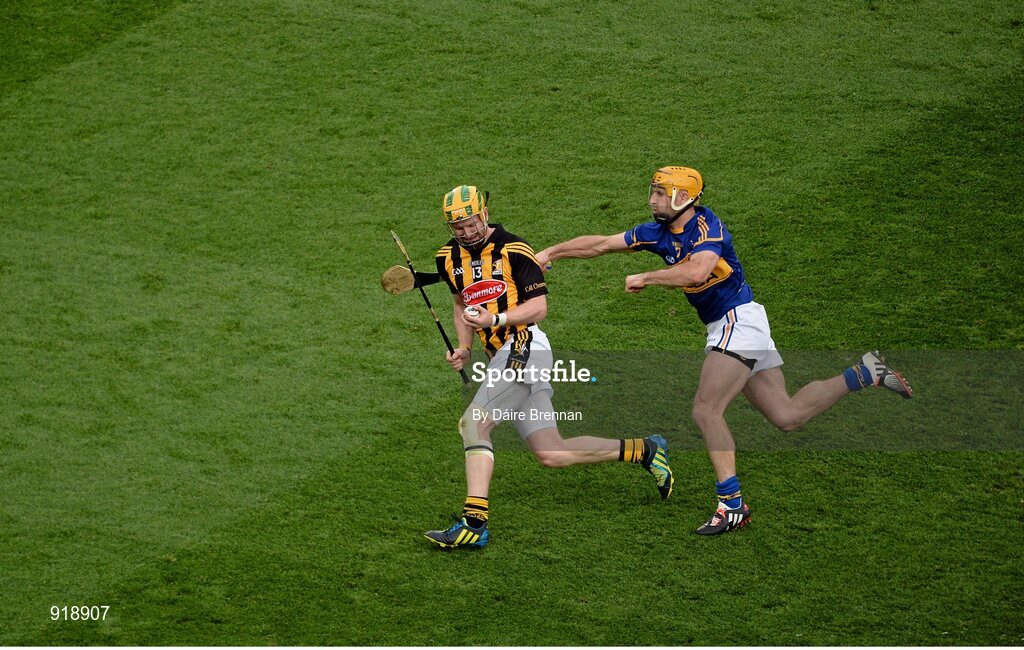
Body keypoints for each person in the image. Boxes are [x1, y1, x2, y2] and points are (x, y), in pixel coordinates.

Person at [535, 167, 913, 536]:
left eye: (659, 194)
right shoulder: (657, 232)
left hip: (739, 323)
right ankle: (866, 372)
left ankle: (731, 505)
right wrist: (550, 252)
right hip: (736, 325)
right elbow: (600, 243)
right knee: (788, 416)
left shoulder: (705, 228)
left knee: (706, 410)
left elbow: (697, 272)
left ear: (683, 197)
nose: (651, 200)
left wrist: (647, 277)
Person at [424, 185, 674, 549]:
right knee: (552, 453)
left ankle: (474, 524)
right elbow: (461, 305)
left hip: (525, 345)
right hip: (501, 356)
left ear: (485, 213)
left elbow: (538, 309)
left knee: (473, 424)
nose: (465, 231)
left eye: (470, 222)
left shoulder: (515, 249)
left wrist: (496, 318)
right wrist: (464, 348)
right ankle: (645, 449)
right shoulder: (446, 257)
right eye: (457, 226)